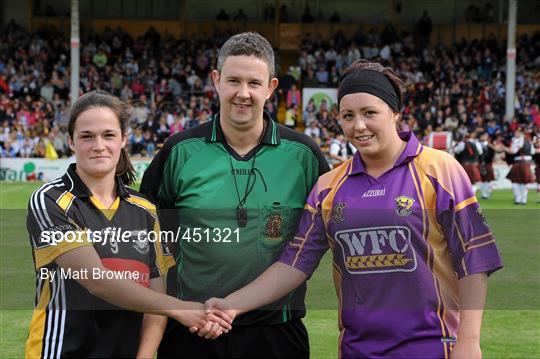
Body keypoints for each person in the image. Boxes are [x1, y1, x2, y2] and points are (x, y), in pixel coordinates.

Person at [204, 60, 503, 359]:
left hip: (433, 348)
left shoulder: (440, 169)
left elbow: (474, 259)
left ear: (395, 112)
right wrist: (232, 304)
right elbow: (294, 264)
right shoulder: (328, 187)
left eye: (369, 113)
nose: (358, 126)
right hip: (358, 350)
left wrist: (469, 341)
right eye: (348, 116)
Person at [140, 32, 329, 358]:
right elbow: (146, 238)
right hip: (192, 329)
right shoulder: (179, 151)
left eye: (254, 84)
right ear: (216, 80)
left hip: (277, 332)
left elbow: (329, 232)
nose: (243, 93)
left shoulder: (304, 155)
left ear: (270, 87)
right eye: (233, 81)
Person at [25, 91, 232, 358]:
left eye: (109, 135)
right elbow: (97, 280)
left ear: (123, 139)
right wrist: (180, 309)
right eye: (87, 136)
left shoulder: (145, 210)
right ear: (71, 143)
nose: (98, 145)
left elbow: (155, 300)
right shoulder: (50, 200)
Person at [505, 127, 536, 204]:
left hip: (518, 162)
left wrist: (504, 148)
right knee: (524, 182)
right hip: (527, 162)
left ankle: (518, 199)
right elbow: (532, 152)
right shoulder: (529, 141)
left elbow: (513, 151)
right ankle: (523, 199)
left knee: (515, 182)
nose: (515, 134)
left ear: (520, 133)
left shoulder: (517, 140)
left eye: (516, 132)